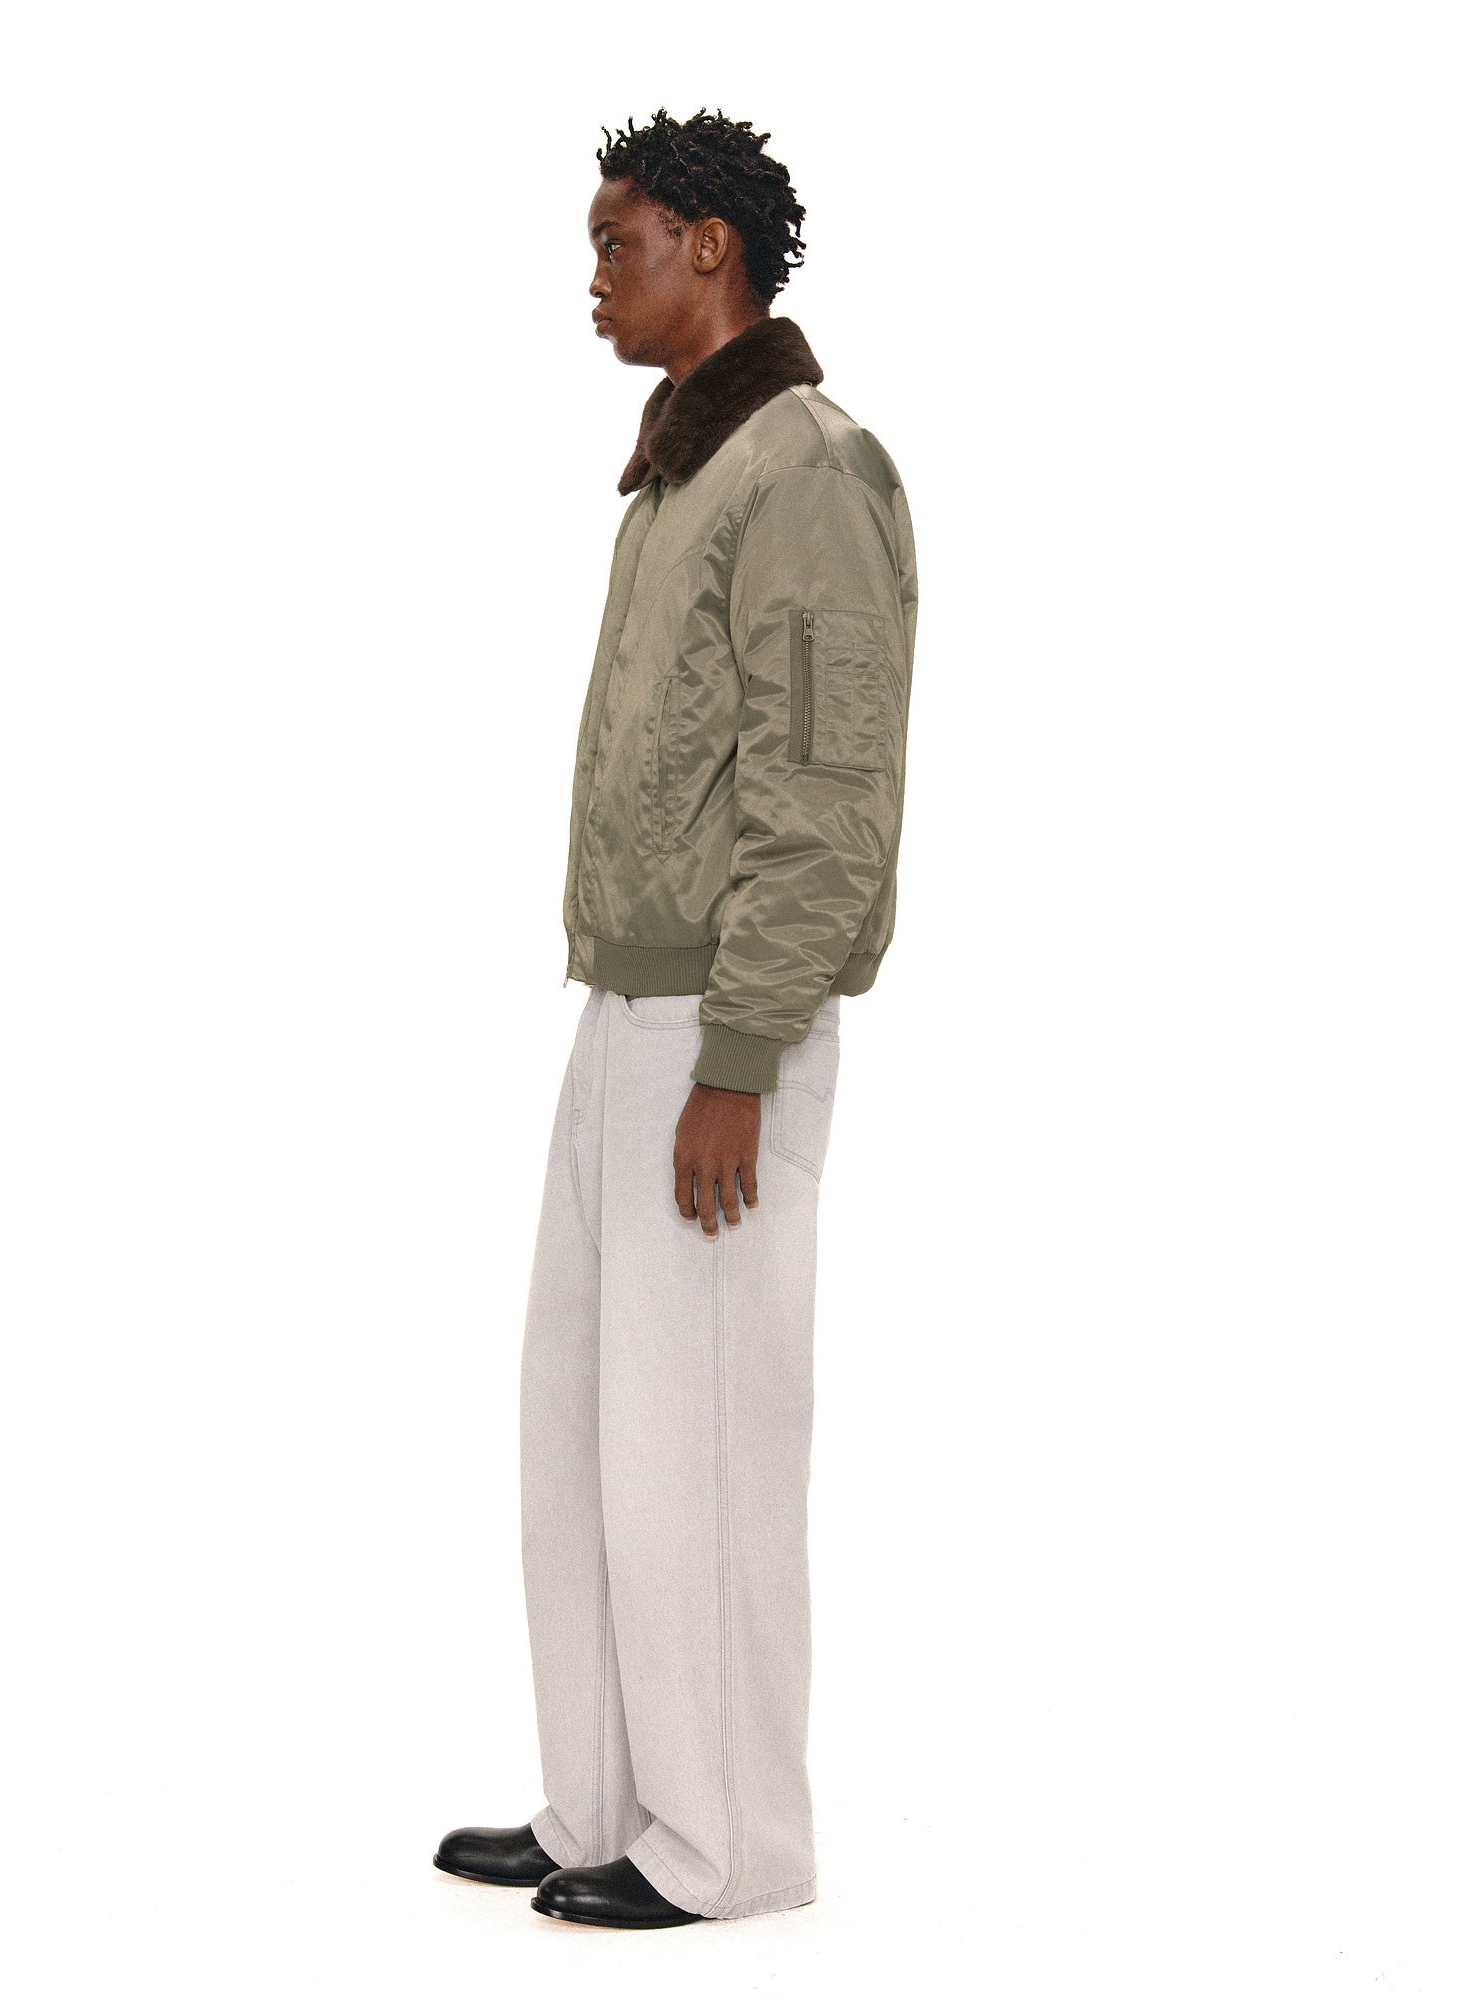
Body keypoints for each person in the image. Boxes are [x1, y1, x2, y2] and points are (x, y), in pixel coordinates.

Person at [433, 105, 918, 1930]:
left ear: (710, 246)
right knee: (579, 1438)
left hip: (719, 1026)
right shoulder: (678, 477)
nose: (595, 279)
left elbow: (827, 785)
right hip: (619, 1012)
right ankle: (606, 1806)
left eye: (616, 242)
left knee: (700, 1444)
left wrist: (739, 1056)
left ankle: (729, 1852)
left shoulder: (806, 471)